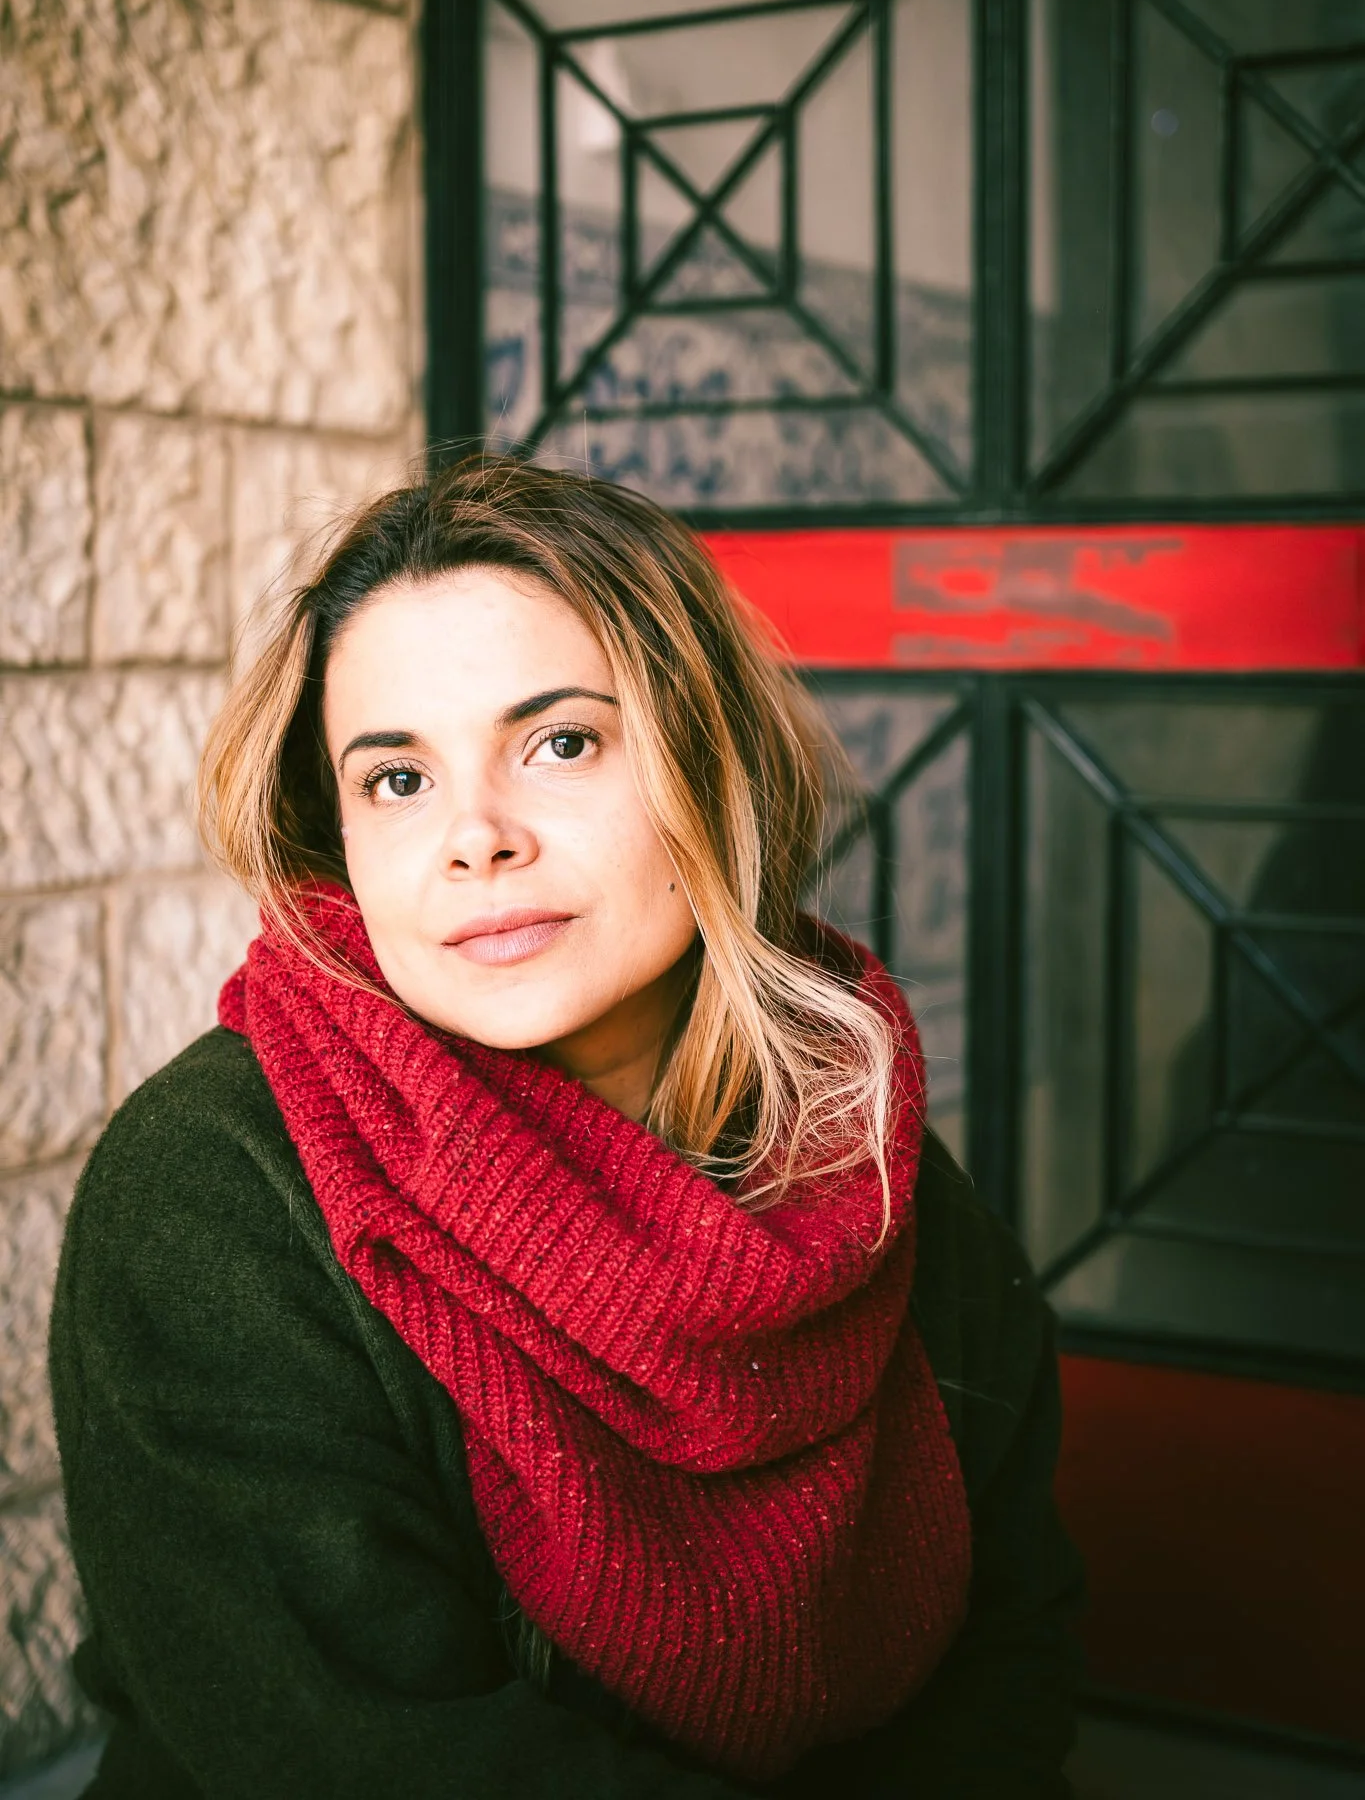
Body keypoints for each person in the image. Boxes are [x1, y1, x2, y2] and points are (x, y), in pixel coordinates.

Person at [49, 460, 1084, 1799]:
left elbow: (1015, 1644)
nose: (475, 838)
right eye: (398, 778)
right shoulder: (215, 1188)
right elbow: (364, 1760)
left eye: (561, 743)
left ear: (710, 768)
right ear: (339, 832)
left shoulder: (849, 1149)